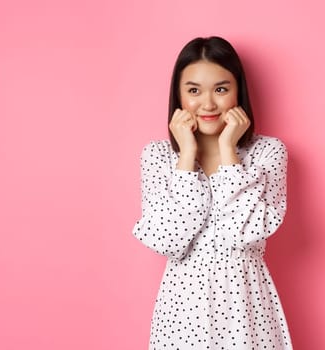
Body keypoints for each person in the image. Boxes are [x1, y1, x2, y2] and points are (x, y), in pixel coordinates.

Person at [132, 36, 293, 349]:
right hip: (181, 314)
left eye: (221, 89)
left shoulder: (267, 153)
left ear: (238, 92)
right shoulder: (158, 157)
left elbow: (244, 233)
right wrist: (186, 157)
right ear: (178, 95)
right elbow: (169, 241)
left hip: (246, 311)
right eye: (193, 90)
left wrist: (228, 152)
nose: (207, 104)